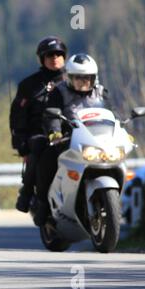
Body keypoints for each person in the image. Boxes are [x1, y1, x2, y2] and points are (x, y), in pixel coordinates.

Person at [34, 53, 110, 226]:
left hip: (98, 140)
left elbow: (113, 114)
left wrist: (122, 129)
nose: (83, 83)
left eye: (87, 78)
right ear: (69, 77)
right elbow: (52, 114)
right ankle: (43, 206)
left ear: (94, 78)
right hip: (69, 138)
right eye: (78, 78)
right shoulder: (59, 91)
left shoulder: (101, 92)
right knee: (47, 160)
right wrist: (55, 132)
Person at [10, 36, 68, 213]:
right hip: (39, 134)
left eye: (59, 54)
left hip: (69, 133)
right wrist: (20, 143)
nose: (55, 58)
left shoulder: (74, 81)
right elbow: (17, 116)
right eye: (50, 54)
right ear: (42, 58)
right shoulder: (29, 85)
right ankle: (27, 193)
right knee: (39, 144)